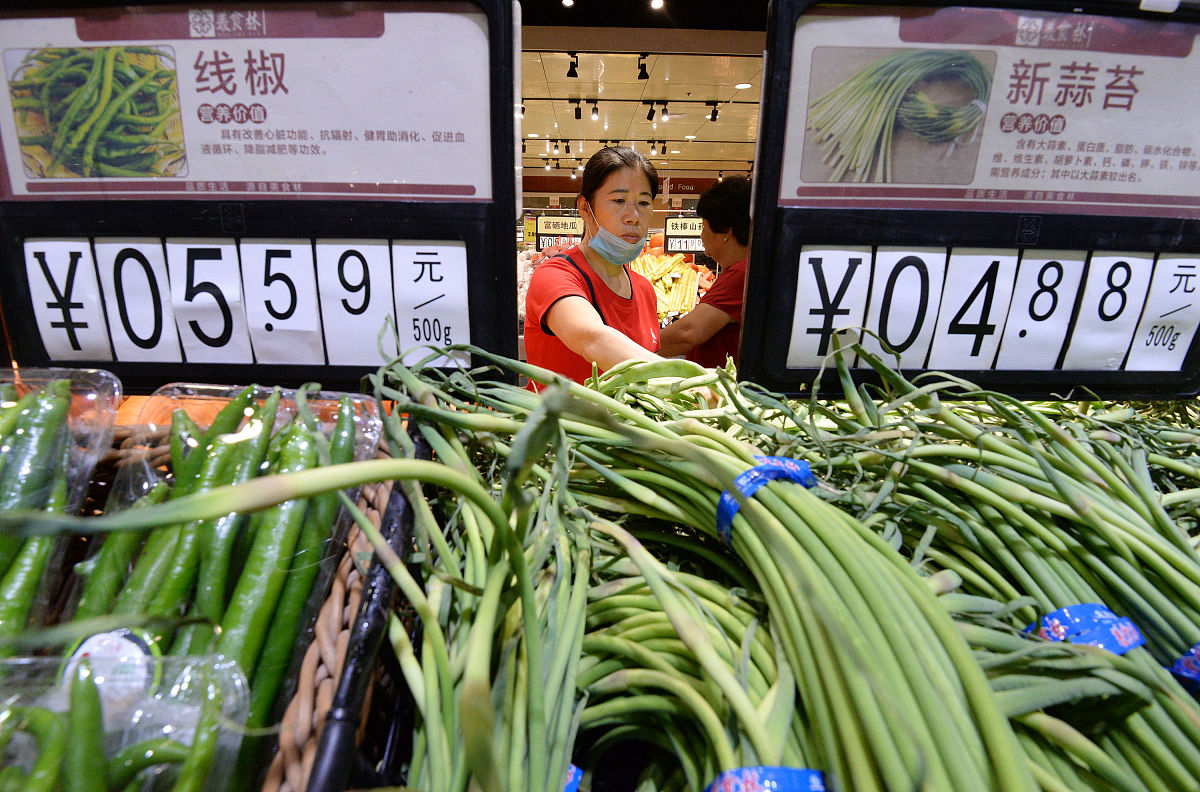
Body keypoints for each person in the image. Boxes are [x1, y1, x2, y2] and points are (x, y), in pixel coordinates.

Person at [524, 146, 666, 388]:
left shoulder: (644, 291)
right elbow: (593, 338)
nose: (633, 216)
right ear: (584, 208)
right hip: (559, 425)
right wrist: (685, 380)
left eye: (643, 202)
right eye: (618, 200)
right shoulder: (555, 276)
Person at [658, 176, 751, 368]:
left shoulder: (741, 274)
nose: (701, 235)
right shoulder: (743, 269)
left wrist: (629, 350)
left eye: (703, 226)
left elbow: (689, 332)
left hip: (723, 391)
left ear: (725, 231)